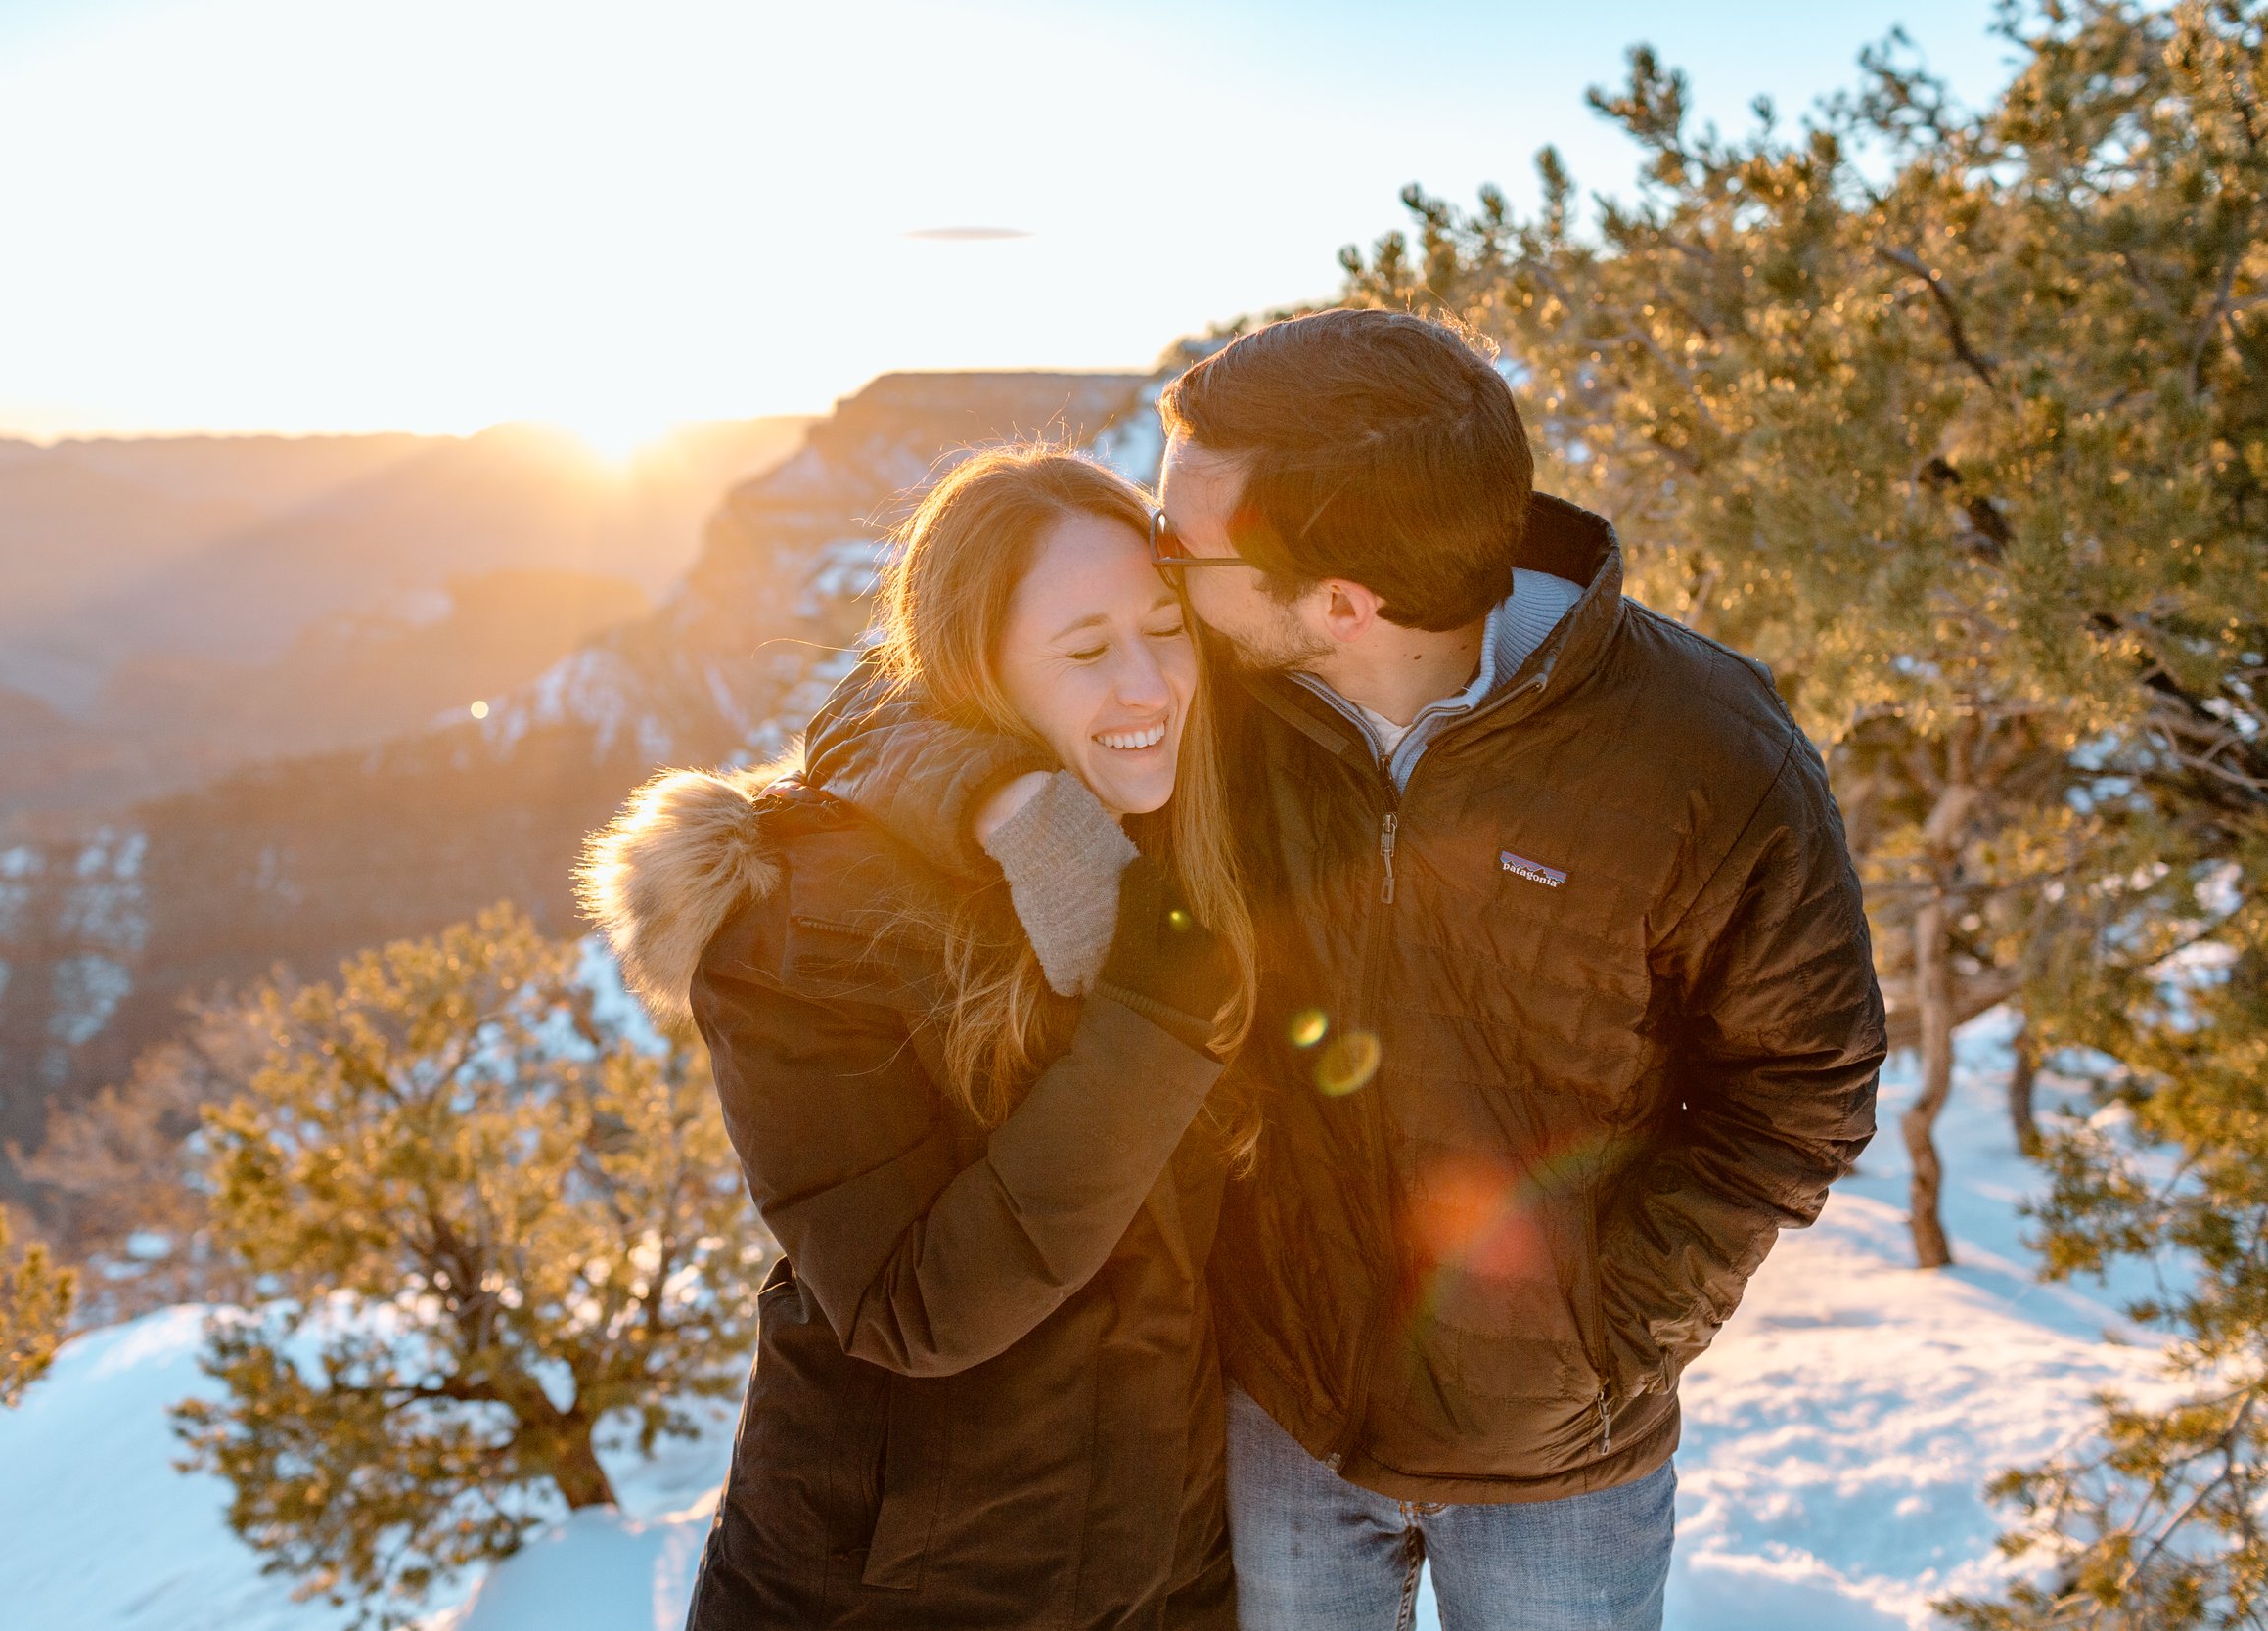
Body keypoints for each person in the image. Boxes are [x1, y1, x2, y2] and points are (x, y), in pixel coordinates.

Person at [802, 308, 1888, 1631]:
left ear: (1340, 601)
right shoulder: (1213, 689)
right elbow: (885, 697)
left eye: (1179, 543)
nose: (1156, 564)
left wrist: (1614, 1327)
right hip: (1282, 1417)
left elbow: (1805, 1082)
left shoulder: (1706, 749)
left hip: (1562, 1460)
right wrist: (1007, 798)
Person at [579, 445, 1261, 1630]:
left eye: (1168, 627)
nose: (1151, 684)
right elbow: (906, 1306)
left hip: (1158, 1564)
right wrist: (1155, 1019)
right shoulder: (799, 916)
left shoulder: (1157, 843)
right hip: (892, 1588)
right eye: (1088, 650)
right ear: (975, 667)